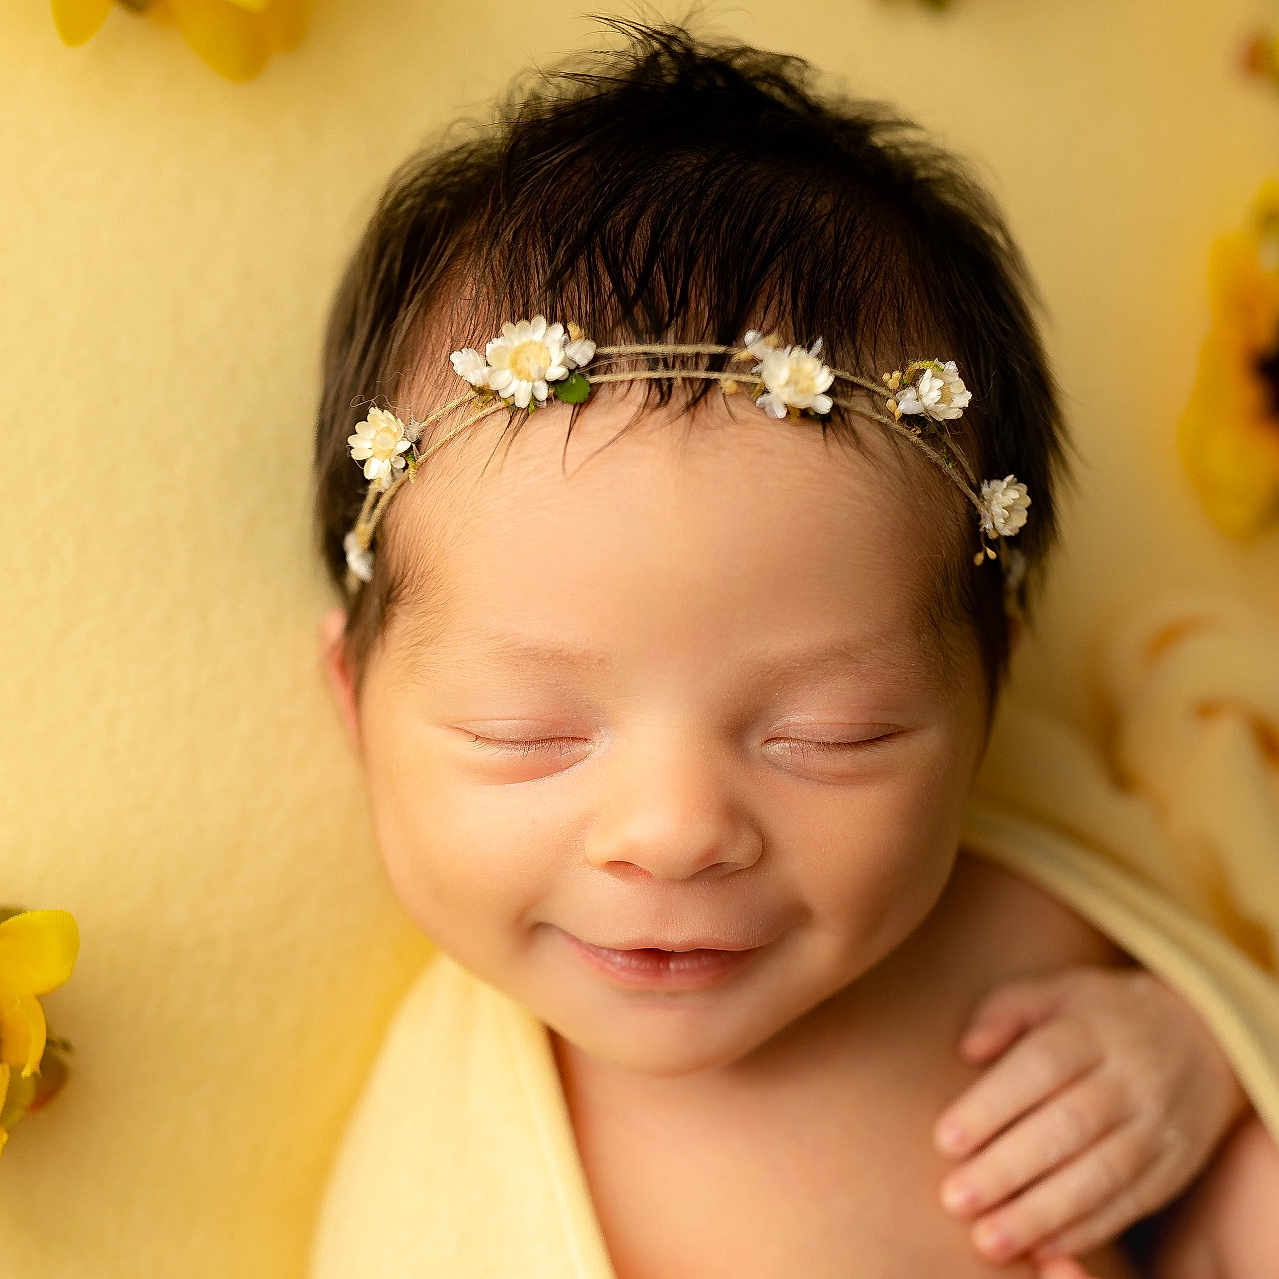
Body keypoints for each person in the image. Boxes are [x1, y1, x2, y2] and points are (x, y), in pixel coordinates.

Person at [308, 17, 1279, 1277]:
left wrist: (1198, 1056)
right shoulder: (442, 1190)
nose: (673, 829)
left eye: (832, 735)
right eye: (525, 734)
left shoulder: (1035, 922)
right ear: (353, 701)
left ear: (990, 689)